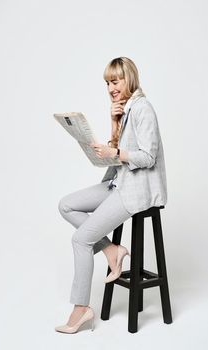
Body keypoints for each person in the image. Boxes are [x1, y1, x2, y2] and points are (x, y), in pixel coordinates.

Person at [54, 57, 167, 334]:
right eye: (107, 82)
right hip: (119, 181)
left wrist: (115, 152)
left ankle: (81, 309)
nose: (110, 88)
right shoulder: (125, 109)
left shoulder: (143, 109)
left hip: (136, 189)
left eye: (115, 81)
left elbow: (148, 157)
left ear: (129, 78)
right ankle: (110, 249)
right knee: (66, 205)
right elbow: (118, 157)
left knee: (81, 240)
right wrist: (113, 125)